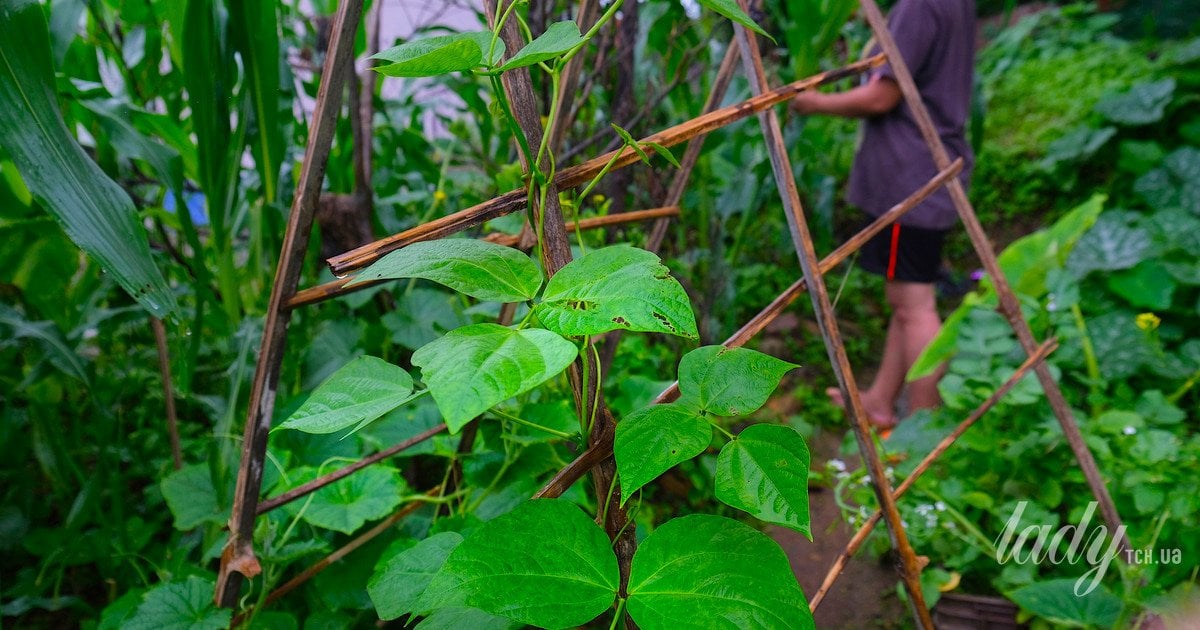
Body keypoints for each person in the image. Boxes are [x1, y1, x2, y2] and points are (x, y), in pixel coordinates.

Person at [789, 0, 976, 429]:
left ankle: (924, 426)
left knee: (915, 307)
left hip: (909, 179)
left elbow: (882, 97)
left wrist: (814, 102)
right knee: (907, 300)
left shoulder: (917, 6)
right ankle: (879, 401)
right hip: (933, 168)